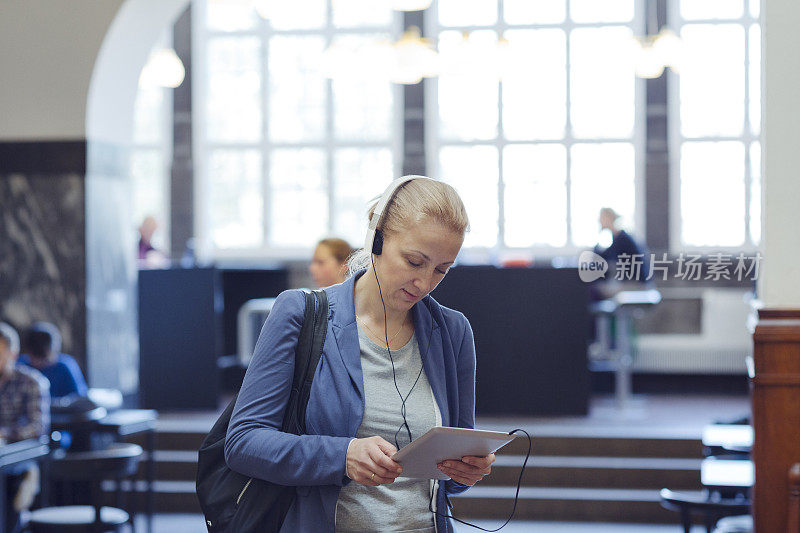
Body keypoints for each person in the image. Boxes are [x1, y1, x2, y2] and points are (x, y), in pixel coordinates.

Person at [225, 176, 493, 532]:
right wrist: (342, 455)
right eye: (415, 262)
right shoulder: (301, 313)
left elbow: (450, 479)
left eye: (442, 269)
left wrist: (466, 471)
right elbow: (243, 441)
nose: (425, 283)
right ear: (377, 237)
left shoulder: (452, 332)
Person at [0, 322, 49, 533]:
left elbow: (37, 427)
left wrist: (5, 434)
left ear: (13, 353)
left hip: (19, 456)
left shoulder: (32, 382)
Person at [19, 322, 87, 399]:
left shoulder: (65, 367)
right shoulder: (21, 366)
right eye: (35, 358)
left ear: (54, 351)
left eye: (44, 359)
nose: (39, 363)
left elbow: (79, 399)